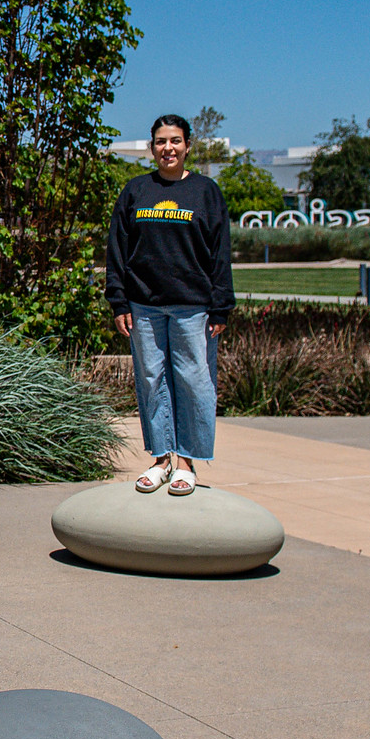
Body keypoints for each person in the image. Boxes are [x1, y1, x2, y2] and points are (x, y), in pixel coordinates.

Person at [104, 114, 235, 497]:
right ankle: (161, 459)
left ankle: (187, 463)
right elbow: (117, 250)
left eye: (175, 141)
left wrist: (221, 305)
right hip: (144, 305)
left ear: (188, 146)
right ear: (152, 148)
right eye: (161, 141)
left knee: (194, 383)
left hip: (193, 306)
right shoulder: (135, 192)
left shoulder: (205, 192)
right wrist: (118, 300)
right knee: (151, 381)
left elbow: (221, 252)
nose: (168, 148)